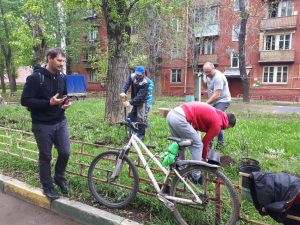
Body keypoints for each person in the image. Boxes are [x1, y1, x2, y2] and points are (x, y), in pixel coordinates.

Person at [21, 48, 72, 200]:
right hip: (42, 124)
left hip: (60, 121)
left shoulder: (62, 77)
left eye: (63, 61)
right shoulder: (36, 78)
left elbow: (64, 95)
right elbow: (25, 100)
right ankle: (47, 186)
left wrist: (65, 103)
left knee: (65, 152)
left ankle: (59, 177)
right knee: (46, 156)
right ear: (50, 58)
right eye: (59, 60)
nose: (61, 64)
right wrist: (48, 103)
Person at [166, 102, 236, 163]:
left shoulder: (216, 114)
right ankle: (196, 175)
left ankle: (181, 170)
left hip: (172, 114)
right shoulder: (218, 124)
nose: (226, 129)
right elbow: (205, 143)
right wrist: (204, 158)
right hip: (180, 118)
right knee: (197, 145)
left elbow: (194, 123)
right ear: (228, 124)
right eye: (228, 127)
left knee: (180, 145)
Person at [203, 62, 231, 147]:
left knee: (216, 120)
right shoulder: (207, 75)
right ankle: (210, 143)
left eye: (209, 72)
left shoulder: (218, 77)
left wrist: (205, 104)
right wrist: (202, 79)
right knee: (211, 120)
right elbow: (205, 87)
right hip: (214, 101)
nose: (207, 74)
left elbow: (217, 95)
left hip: (223, 100)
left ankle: (220, 143)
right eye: (205, 72)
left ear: (213, 68)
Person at [120, 66, 149, 140]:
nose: (138, 76)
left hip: (141, 101)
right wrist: (123, 92)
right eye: (137, 74)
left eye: (139, 75)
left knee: (140, 118)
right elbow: (127, 84)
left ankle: (141, 135)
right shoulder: (133, 76)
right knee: (131, 117)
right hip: (133, 99)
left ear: (143, 74)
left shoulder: (145, 83)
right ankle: (132, 133)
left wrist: (129, 102)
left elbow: (140, 96)